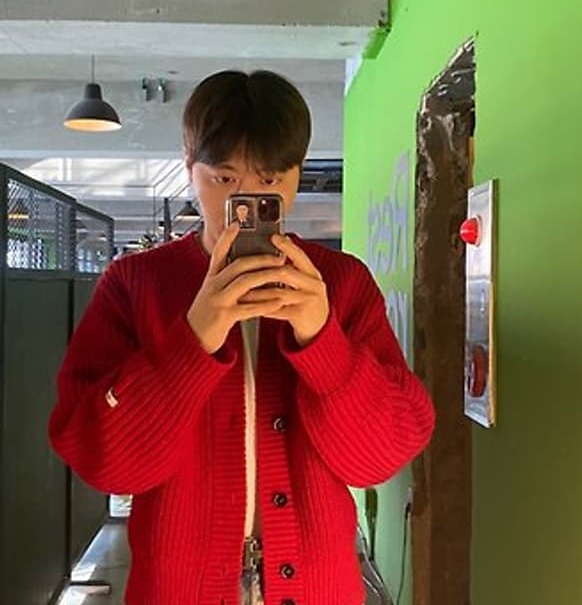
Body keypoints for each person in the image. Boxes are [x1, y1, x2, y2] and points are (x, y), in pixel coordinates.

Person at [48, 70, 435, 605]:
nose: (247, 197)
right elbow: (102, 460)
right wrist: (194, 338)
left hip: (318, 588)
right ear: (189, 167)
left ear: (298, 174)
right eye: (224, 178)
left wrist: (322, 340)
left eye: (271, 180)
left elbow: (380, 458)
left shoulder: (341, 284)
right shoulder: (135, 285)